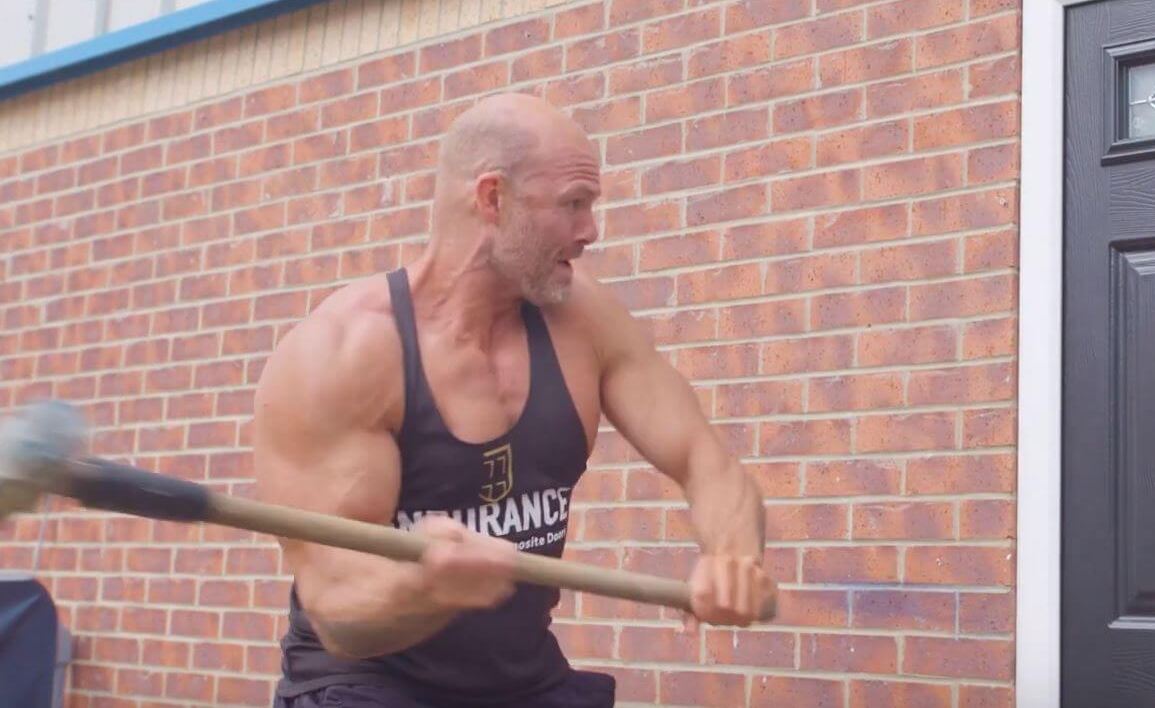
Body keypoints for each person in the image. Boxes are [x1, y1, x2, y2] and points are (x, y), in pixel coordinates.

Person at [252, 92, 774, 707]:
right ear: (492, 198)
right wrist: (428, 588)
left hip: (521, 679)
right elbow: (338, 610)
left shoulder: (583, 320)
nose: (590, 231)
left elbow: (706, 461)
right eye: (572, 204)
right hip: (369, 683)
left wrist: (732, 558)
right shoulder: (347, 354)